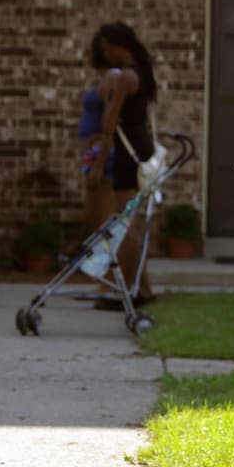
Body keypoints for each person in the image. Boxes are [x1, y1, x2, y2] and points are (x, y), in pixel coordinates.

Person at [89, 21, 158, 308]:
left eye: (107, 49)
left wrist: (97, 165)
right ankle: (143, 289)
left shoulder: (126, 77)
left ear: (119, 47)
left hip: (127, 155)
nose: (106, 55)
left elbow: (109, 124)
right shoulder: (141, 73)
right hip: (140, 149)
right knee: (129, 224)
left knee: (124, 225)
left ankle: (130, 292)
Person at [80, 35, 116, 231]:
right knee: (92, 217)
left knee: (102, 219)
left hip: (102, 154)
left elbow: (112, 116)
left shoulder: (112, 78)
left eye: (89, 52)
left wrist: (99, 159)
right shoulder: (105, 79)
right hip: (93, 154)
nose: (86, 56)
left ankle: (109, 261)